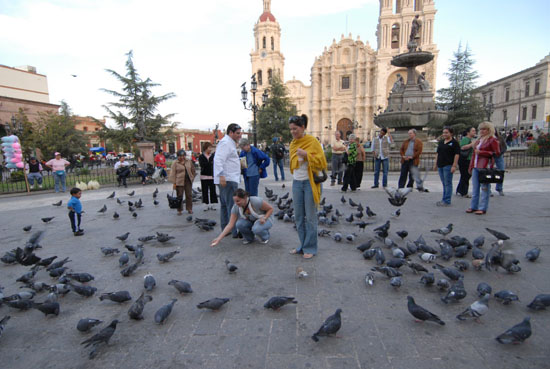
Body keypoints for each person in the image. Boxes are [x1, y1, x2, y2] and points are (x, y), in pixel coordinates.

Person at [288, 114, 327, 259]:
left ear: (303, 127)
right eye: (291, 129)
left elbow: (322, 162)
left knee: (310, 217)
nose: (293, 132)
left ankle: (310, 247)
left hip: (309, 183)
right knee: (298, 216)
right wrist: (297, 159)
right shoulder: (293, 143)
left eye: (295, 129)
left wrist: (307, 155)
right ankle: (302, 245)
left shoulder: (312, 141)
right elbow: (292, 164)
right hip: (297, 183)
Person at [214, 123, 242, 238]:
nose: (240, 135)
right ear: (231, 132)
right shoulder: (226, 143)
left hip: (228, 178)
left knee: (225, 205)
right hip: (228, 178)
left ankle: (226, 229)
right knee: (232, 206)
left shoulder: (229, 143)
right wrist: (221, 176)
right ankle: (234, 230)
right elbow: (218, 159)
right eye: (238, 133)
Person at [467, 121, 501, 215]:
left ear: (489, 130)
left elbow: (497, 153)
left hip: (485, 167)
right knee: (475, 188)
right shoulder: (479, 140)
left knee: (485, 188)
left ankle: (482, 207)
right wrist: (471, 166)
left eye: (484, 129)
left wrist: (482, 153)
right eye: (481, 129)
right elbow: (474, 154)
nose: (482, 131)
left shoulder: (492, 140)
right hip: (476, 166)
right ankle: (473, 206)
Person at [433, 127, 460, 207]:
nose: (444, 134)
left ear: (451, 133)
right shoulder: (441, 142)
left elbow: (457, 154)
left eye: (446, 133)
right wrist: (435, 164)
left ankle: (447, 200)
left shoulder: (454, 143)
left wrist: (454, 165)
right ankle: (444, 199)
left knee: (448, 183)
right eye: (443, 132)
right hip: (441, 165)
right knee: (444, 183)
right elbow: (437, 153)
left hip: (448, 165)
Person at [169, 150, 196, 215]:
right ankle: (179, 209)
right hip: (179, 181)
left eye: (183, 156)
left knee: (189, 195)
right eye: (180, 156)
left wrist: (192, 177)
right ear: (178, 156)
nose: (182, 157)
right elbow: (173, 173)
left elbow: (193, 170)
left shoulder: (188, 161)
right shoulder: (175, 163)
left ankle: (189, 208)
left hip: (188, 180)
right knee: (179, 195)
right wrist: (174, 183)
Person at [456, 127, 476, 197]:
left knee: (465, 176)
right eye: (473, 131)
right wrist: (471, 144)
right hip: (465, 160)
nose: (474, 132)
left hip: (469, 159)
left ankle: (460, 190)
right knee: (466, 175)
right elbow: (462, 147)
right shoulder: (465, 139)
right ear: (468, 132)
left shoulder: (471, 139)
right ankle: (464, 192)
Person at [198, 142, 218, 210]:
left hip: (212, 176)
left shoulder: (213, 156)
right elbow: (202, 165)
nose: (210, 149)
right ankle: (206, 204)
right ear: (205, 148)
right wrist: (210, 163)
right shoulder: (201, 156)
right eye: (209, 147)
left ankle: (213, 203)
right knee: (204, 190)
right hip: (204, 176)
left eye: (211, 147)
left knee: (213, 190)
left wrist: (209, 164)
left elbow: (214, 165)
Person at [493, 130, 507, 196]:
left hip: (499, 156)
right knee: (486, 172)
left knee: (501, 171)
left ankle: (499, 188)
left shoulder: (500, 138)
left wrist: (500, 152)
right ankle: (488, 189)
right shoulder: (486, 138)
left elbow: (504, 147)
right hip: (490, 156)